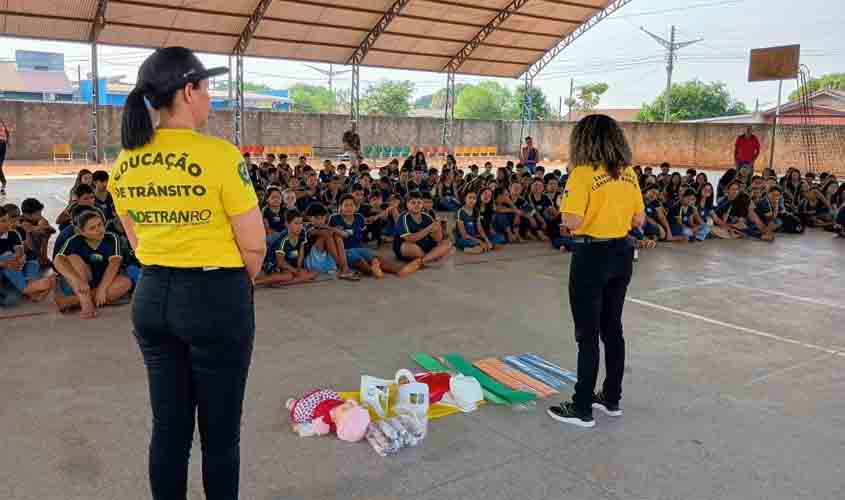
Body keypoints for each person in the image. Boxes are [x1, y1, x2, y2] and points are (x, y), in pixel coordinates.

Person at [110, 47, 266, 500]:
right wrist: (235, 289)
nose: (210, 97)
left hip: (153, 296)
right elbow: (253, 245)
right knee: (219, 437)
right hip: (214, 295)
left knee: (169, 429)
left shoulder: (125, 162)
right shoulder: (219, 155)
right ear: (188, 90)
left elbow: (138, 242)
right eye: (206, 87)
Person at [548, 114, 644, 429]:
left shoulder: (582, 174)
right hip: (622, 253)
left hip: (591, 255)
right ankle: (611, 397)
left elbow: (573, 221)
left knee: (587, 335)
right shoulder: (628, 174)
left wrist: (565, 216)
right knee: (612, 329)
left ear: (583, 140)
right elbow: (638, 220)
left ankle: (581, 406)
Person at [53, 210, 132, 317]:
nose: (98, 230)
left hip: (104, 281)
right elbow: (57, 260)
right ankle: (86, 303)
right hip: (80, 284)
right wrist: (77, 279)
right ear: (82, 232)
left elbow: (115, 263)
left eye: (100, 225)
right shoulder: (74, 240)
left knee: (126, 283)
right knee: (73, 258)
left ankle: (70, 301)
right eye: (92, 228)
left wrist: (102, 289)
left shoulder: (112, 237)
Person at [0, 205, 54, 304]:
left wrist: (20, 260)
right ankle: (27, 288)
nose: (7, 223)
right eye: (3, 221)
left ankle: (30, 284)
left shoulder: (13, 234)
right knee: (11, 300)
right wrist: (6, 263)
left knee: (31, 258)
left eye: (7, 220)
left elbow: (20, 252)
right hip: (6, 269)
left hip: (14, 270)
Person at [393, 192, 452, 277]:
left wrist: (438, 230)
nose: (416, 205)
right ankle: (432, 256)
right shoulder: (403, 217)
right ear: (407, 204)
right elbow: (410, 239)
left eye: (419, 202)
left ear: (422, 204)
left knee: (447, 243)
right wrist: (428, 229)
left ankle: (422, 261)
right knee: (410, 247)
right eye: (413, 202)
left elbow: (438, 239)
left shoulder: (426, 216)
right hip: (408, 245)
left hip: (424, 245)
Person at [256, 209, 316, 286]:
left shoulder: (302, 232)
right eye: (296, 223)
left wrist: (298, 268)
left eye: (301, 223)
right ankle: (255, 283)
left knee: (314, 273)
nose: (300, 226)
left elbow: (301, 252)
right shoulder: (282, 240)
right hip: (274, 264)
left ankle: (282, 283)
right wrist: (296, 272)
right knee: (288, 276)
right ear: (287, 224)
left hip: (289, 264)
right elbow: (280, 262)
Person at [0, 118, 9, 195]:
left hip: (2, 145)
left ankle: (3, 183)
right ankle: (3, 182)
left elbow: (6, 134)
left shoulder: (3, 126)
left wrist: (7, 142)